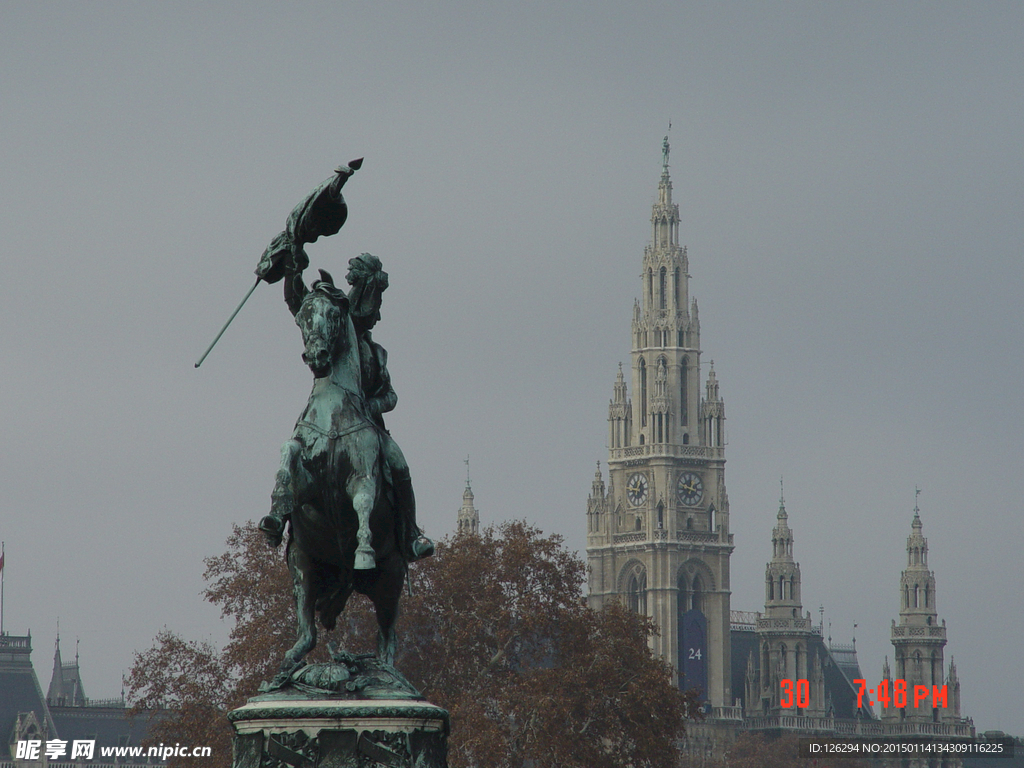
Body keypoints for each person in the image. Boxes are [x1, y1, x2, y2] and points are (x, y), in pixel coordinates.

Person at [346, 253, 434, 562]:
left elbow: (391, 395)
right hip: (329, 419)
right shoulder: (336, 345)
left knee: (399, 464)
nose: (378, 317)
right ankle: (281, 512)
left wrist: (372, 405)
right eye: (375, 309)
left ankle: (410, 533)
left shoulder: (378, 354)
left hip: (370, 426)